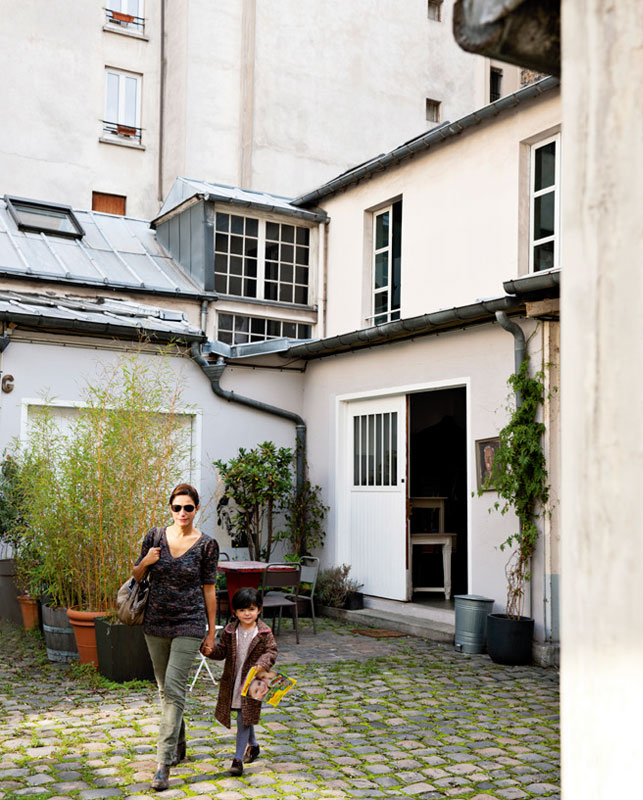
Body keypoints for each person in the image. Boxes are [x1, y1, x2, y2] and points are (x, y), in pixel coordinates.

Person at [132, 483, 219, 792]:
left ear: (197, 510)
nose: (182, 513)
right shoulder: (154, 537)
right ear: (170, 509)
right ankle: (179, 744)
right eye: (177, 507)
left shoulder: (207, 545)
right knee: (165, 691)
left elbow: (209, 590)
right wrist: (146, 562)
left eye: (188, 508)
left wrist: (210, 632)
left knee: (173, 686)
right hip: (155, 622)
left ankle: (163, 763)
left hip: (189, 623)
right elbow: (136, 575)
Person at [201, 587, 277, 776]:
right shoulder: (230, 630)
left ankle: (237, 759)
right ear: (235, 611)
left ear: (259, 609)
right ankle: (254, 745)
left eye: (251, 609)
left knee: (244, 716)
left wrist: (262, 664)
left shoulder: (264, 632)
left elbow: (272, 651)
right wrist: (210, 652)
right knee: (244, 715)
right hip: (234, 681)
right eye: (242, 610)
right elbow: (222, 652)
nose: (247, 614)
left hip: (254, 683)